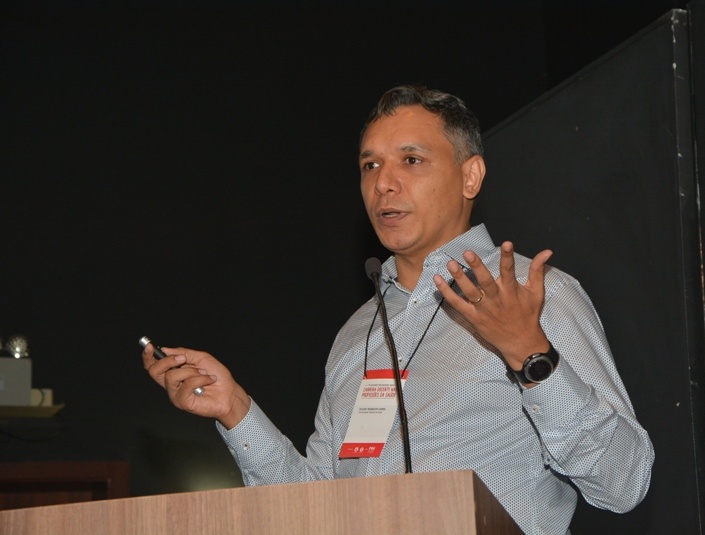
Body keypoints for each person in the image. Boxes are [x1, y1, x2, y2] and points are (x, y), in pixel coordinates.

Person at [143, 85, 654, 534]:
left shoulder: (534, 296)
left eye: (411, 160)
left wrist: (530, 353)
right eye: (370, 165)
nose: (383, 183)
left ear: (470, 176)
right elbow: (316, 507)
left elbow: (623, 482)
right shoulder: (357, 333)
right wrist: (235, 411)